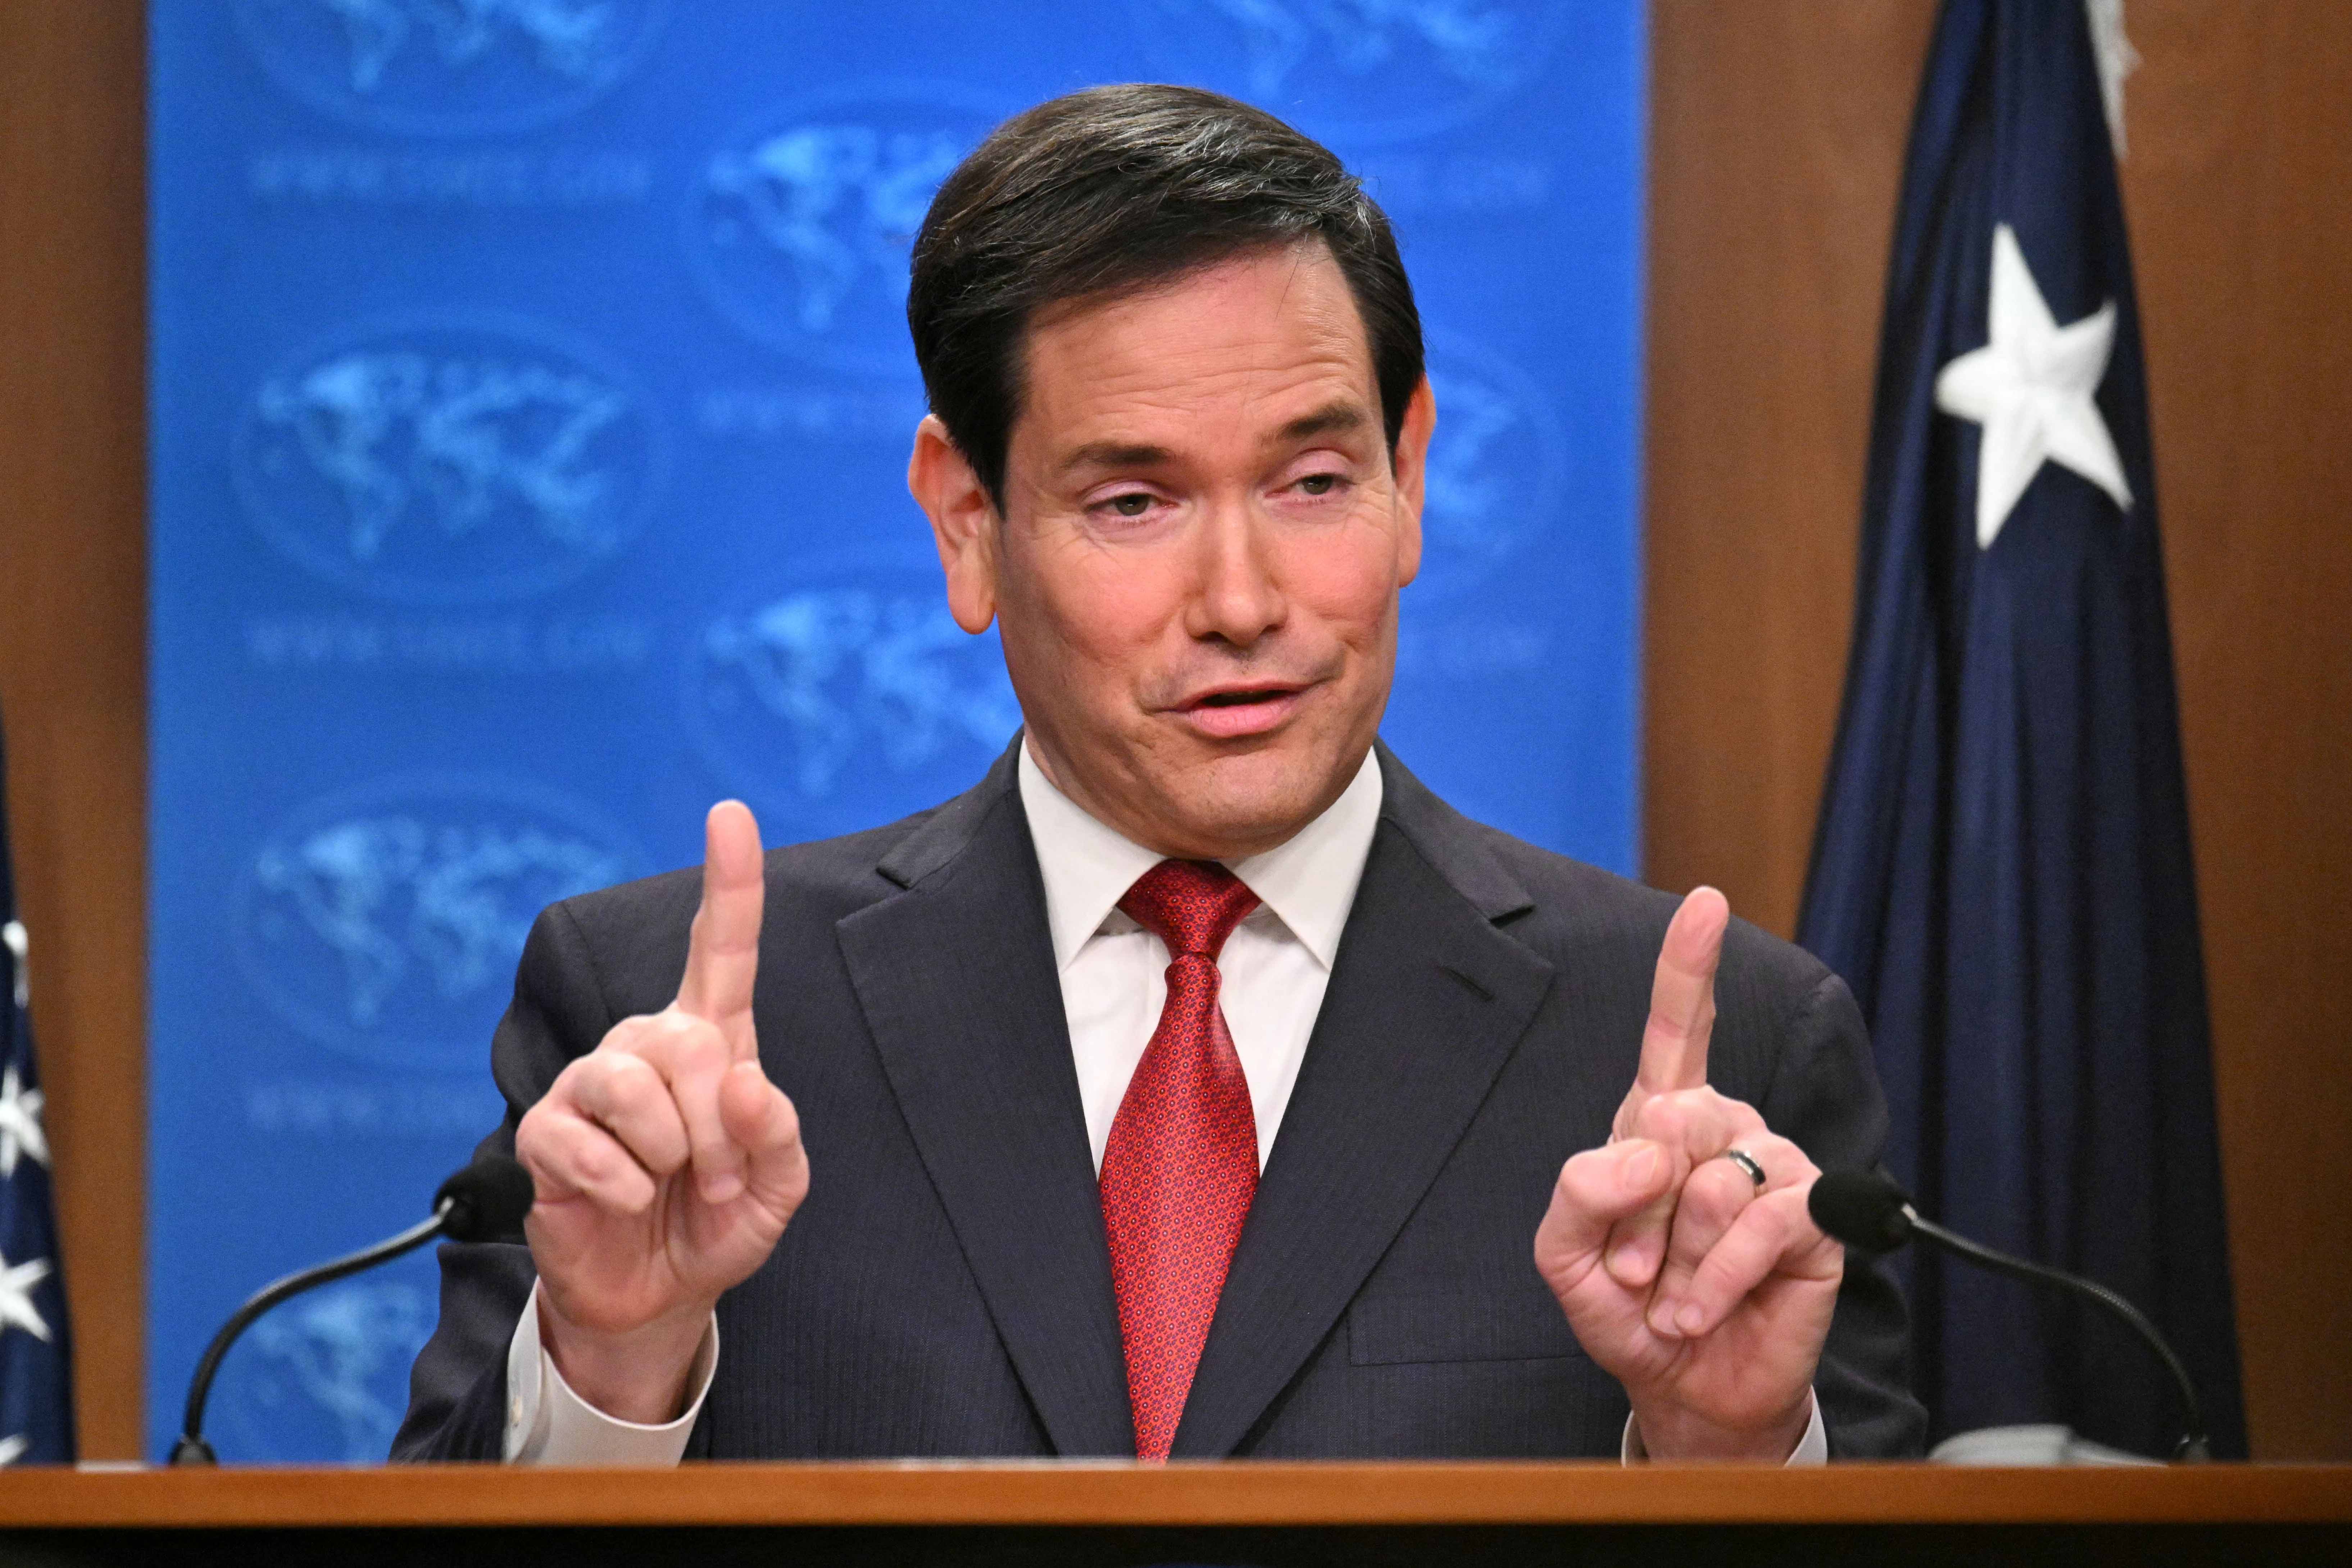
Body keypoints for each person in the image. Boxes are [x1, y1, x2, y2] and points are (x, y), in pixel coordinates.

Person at [394, 84, 1925, 1464]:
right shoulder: (667, 1038)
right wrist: (618, 1362)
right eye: (1133, 502)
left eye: (1314, 481)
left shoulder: (1723, 1067)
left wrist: (1727, 1452)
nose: (1243, 602)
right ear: (968, 521)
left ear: (1410, 474)